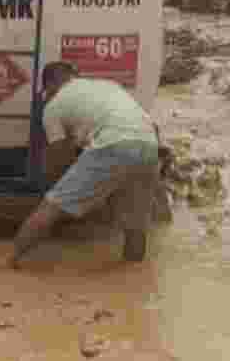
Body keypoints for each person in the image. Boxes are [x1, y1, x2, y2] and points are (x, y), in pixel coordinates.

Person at [8, 62, 161, 268]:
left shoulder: (53, 106)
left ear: (50, 85)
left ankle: (9, 262)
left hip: (113, 143)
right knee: (135, 223)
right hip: (149, 142)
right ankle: (132, 273)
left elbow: (59, 155)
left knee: (49, 207)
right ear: (74, 77)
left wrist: (58, 191)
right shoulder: (108, 86)